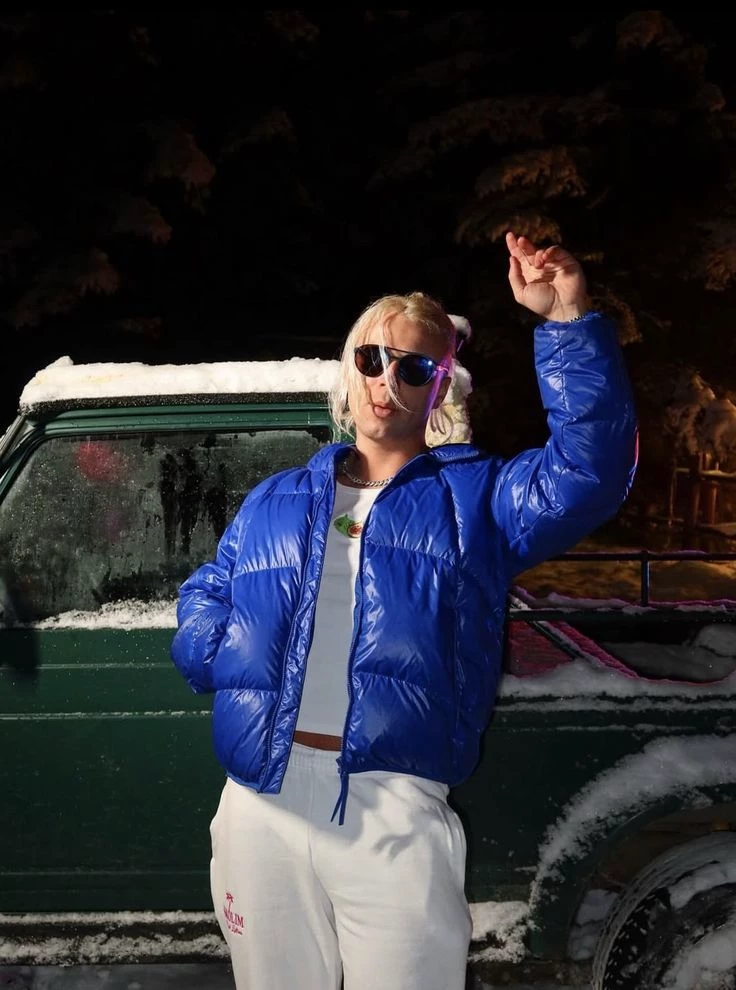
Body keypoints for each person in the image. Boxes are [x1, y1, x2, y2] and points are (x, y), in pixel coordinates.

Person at [171, 231, 638, 990]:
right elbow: (208, 588)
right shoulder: (278, 497)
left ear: (439, 388)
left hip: (392, 808)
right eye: (372, 358)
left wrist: (566, 323)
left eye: (413, 367)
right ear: (349, 369)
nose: (387, 379)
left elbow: (590, 472)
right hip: (260, 804)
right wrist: (213, 650)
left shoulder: (476, 501)